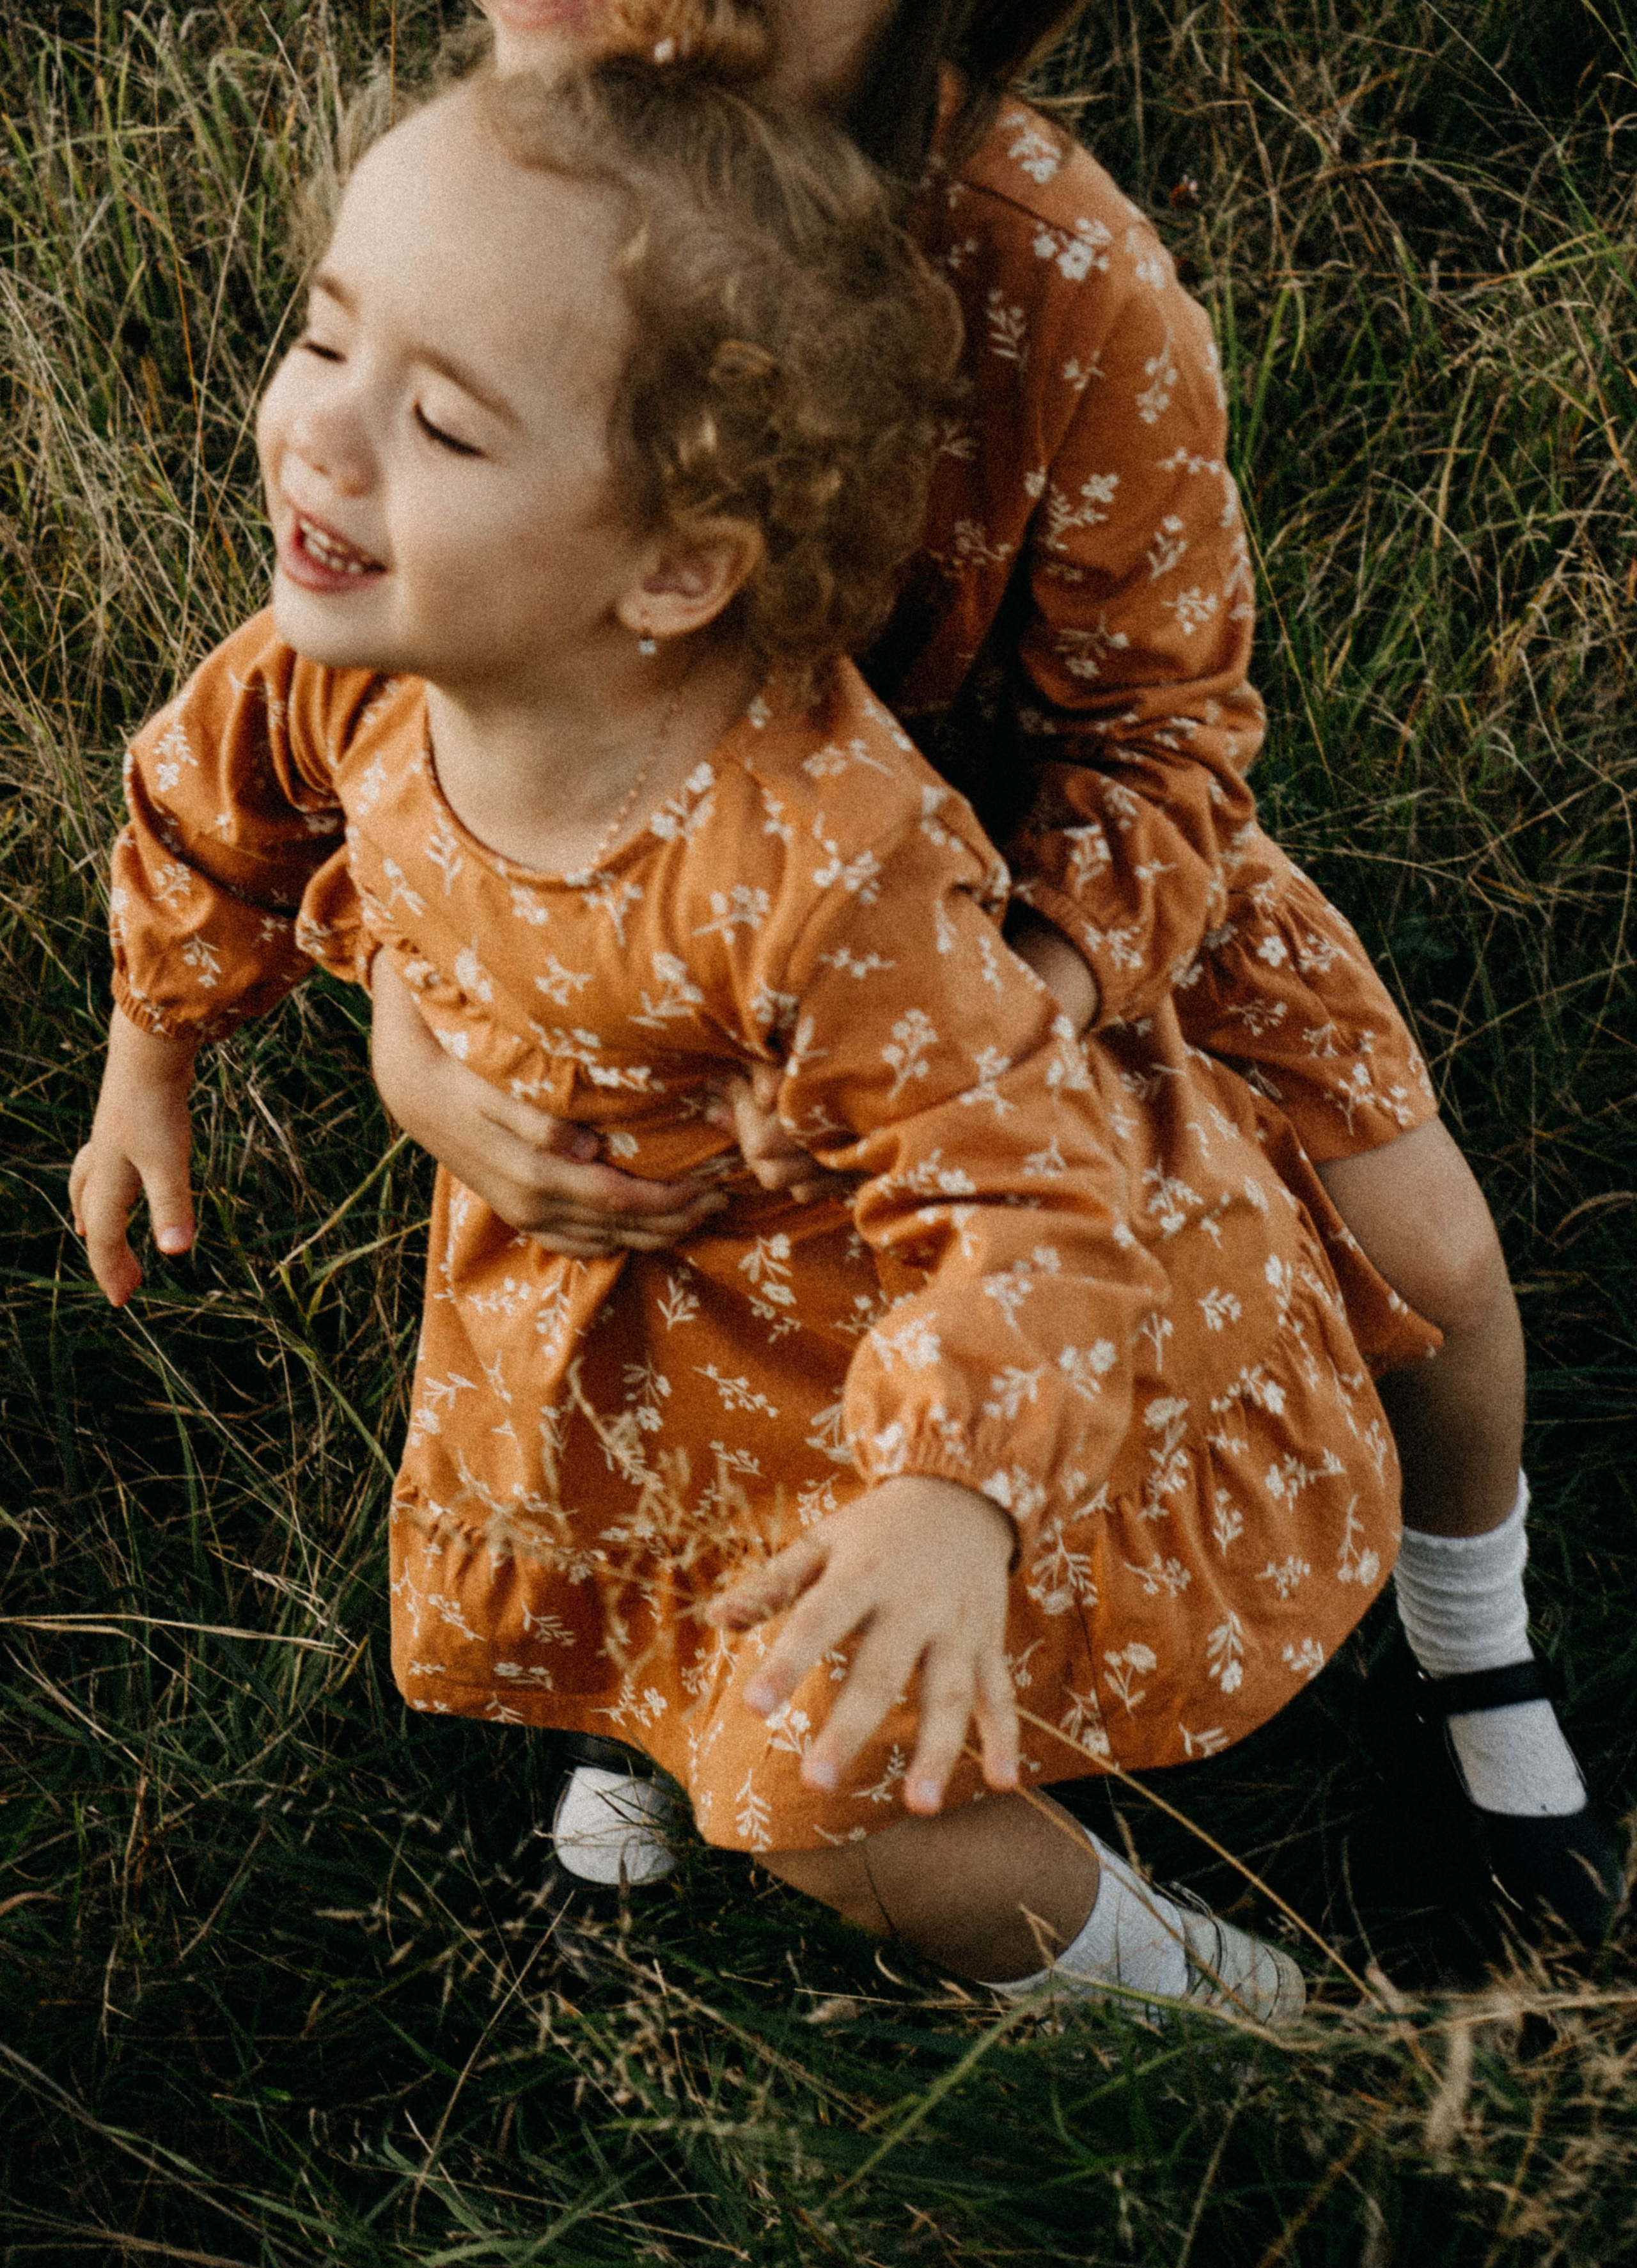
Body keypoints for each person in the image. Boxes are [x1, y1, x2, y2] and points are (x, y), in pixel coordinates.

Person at [68, 1, 1430, 2026]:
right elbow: (213, 811)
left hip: (845, 1284)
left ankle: (1246, 2019)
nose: (315, 436)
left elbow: (1029, 1184)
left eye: (441, 424)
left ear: (678, 571)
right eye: (322, 336)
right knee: (624, 1557)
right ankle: (643, 1704)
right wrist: (149, 1060)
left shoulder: (825, 857)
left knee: (819, 1775)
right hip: (597, 1273)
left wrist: (952, 1489)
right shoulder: (345, 661)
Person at [372, 0, 1619, 1946]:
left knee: (1436, 1272)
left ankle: (1481, 1653)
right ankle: (655, 1693)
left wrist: (1020, 1004)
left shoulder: (1058, 267)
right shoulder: (518, 186)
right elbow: (389, 653)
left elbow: (1168, 737)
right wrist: (410, 1036)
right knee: (669, 1331)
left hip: (1056, 920)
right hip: (665, 969)